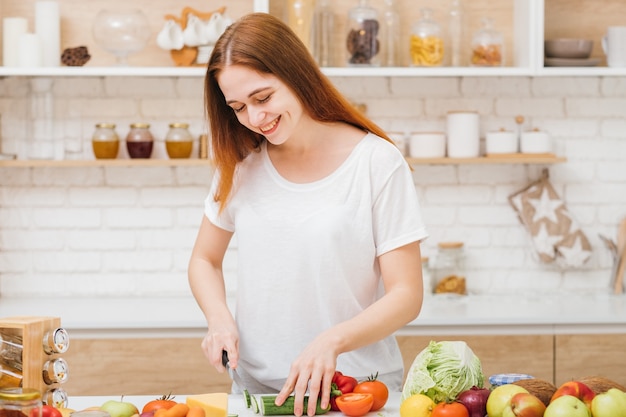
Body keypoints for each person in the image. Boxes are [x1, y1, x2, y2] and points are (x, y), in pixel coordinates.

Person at [188, 12, 427, 417]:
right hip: (259, 391)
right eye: (238, 107)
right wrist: (219, 319)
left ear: (296, 74)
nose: (254, 118)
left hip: (356, 391)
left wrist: (332, 341)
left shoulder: (376, 162)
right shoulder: (241, 165)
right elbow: (204, 260)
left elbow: (407, 295)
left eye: (263, 98)